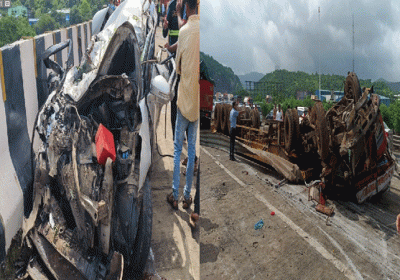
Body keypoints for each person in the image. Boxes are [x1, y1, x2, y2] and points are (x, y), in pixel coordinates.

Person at [167, 0, 199, 210]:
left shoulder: (185, 31)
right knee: (192, 150)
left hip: (184, 98)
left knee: (178, 149)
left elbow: (177, 68)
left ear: (185, 8)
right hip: (197, 104)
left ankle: (175, 194)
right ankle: (188, 197)